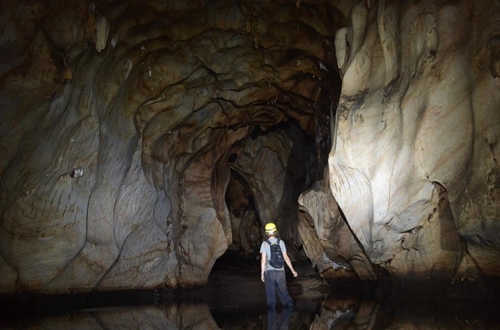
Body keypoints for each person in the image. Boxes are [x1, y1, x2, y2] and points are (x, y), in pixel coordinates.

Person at [260, 222, 298, 309]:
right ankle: (289, 306)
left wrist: (262, 273)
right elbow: (286, 258)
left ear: (266, 233)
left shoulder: (264, 244)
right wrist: (293, 270)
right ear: (275, 231)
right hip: (280, 271)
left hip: (269, 272)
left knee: (271, 293)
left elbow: (263, 260)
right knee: (283, 291)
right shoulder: (281, 242)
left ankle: (272, 311)